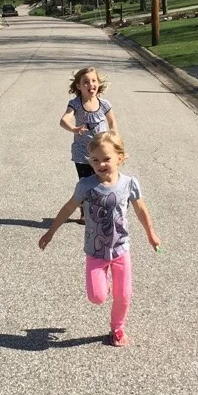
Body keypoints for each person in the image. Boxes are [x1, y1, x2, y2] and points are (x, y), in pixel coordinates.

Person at [39, 131, 160, 347]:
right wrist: (51, 232)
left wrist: (151, 234)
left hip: (121, 249)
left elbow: (141, 209)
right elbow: (68, 208)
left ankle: (118, 328)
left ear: (120, 158)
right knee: (97, 297)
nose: (100, 164)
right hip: (95, 251)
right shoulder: (86, 185)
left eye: (106, 159)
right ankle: (105, 285)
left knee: (124, 295)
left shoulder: (129, 184)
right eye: (95, 160)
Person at [60, 67, 118, 181]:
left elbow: (112, 121)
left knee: (103, 182)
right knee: (86, 183)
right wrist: (74, 129)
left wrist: (114, 137)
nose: (90, 84)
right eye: (85, 82)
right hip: (82, 153)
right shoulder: (75, 104)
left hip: (102, 152)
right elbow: (63, 120)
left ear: (98, 83)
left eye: (94, 80)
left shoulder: (104, 104)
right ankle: (84, 199)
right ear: (78, 86)